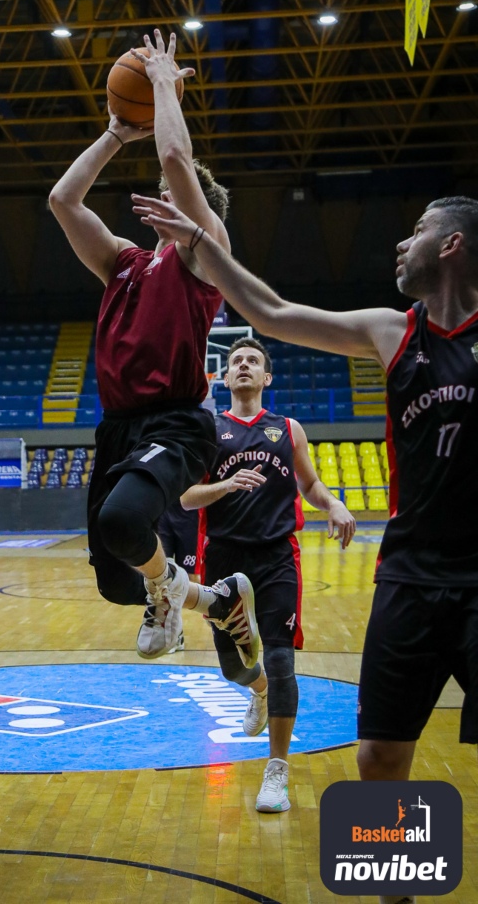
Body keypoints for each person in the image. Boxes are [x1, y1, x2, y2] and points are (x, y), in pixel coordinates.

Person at [131, 192, 478, 904]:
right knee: (379, 757)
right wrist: (201, 239)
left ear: (453, 245)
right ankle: (396, 896)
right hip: (408, 576)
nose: (400, 245)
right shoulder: (393, 332)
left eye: (416, 231)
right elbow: (272, 312)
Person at [48, 27, 259, 668]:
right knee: (117, 577)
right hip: (117, 426)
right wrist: (115, 132)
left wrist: (164, 87)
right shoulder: (123, 261)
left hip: (176, 419)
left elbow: (175, 161)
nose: (165, 191)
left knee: (122, 524)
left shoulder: (205, 251)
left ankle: (168, 599)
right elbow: (62, 199)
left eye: (177, 193)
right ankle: (215, 600)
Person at [181, 337, 356, 812]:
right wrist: (227, 484)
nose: (243, 366)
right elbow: (184, 498)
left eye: (252, 361)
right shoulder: (208, 431)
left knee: (281, 662)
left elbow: (311, 484)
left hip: (278, 557)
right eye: (236, 360)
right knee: (234, 666)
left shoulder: (287, 429)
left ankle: (276, 770)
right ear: (225, 375)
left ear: (266, 378)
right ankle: (255, 691)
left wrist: (334, 504)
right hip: (223, 557)